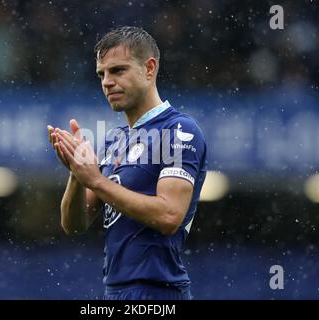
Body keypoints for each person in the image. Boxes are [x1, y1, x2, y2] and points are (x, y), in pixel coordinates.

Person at [47, 26, 207, 300]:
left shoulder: (179, 130)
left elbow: (169, 216)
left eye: (118, 70)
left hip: (159, 291)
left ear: (149, 68)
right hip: (114, 292)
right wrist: (77, 174)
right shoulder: (114, 141)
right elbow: (74, 225)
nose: (107, 82)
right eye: (102, 74)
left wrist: (95, 180)